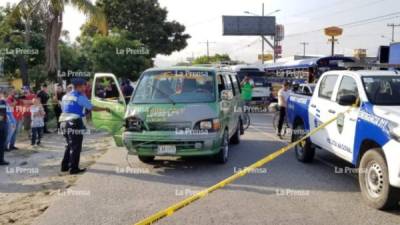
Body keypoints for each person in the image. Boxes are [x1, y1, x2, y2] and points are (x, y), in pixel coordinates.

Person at [60, 78, 109, 175]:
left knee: (69, 145)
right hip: (74, 123)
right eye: (84, 86)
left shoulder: (65, 96)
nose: (85, 87)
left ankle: (64, 166)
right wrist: (105, 109)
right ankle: (74, 169)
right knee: (76, 147)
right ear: (78, 86)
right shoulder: (80, 97)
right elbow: (91, 107)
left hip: (63, 122)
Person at [0, 89, 9, 165]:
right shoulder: (2, 102)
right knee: (2, 142)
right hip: (2, 124)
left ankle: (1, 159)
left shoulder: (3, 102)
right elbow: (2, 114)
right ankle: (1, 160)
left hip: (3, 123)